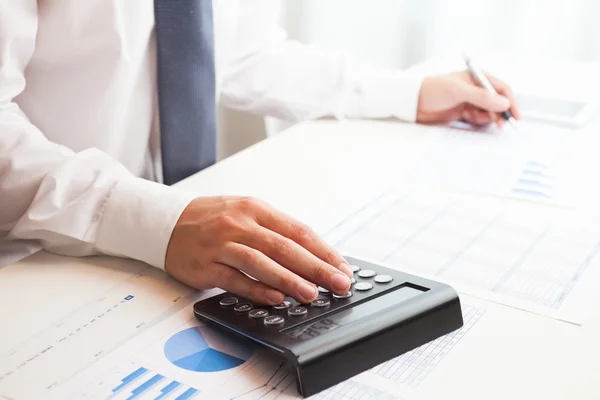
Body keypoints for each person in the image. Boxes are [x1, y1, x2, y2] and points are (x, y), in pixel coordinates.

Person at [0, 1, 520, 305]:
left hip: (156, 263)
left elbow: (243, 52)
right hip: (32, 259)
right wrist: (155, 220)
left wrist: (406, 93)